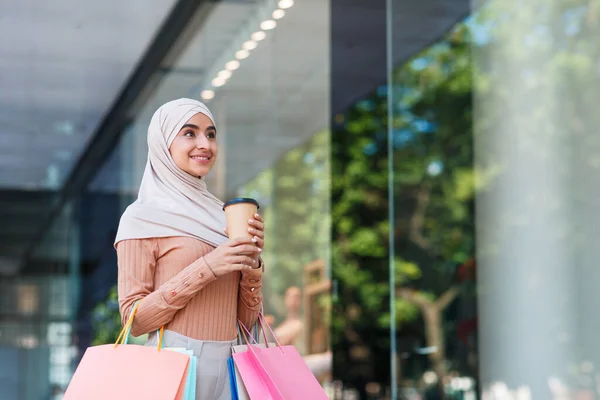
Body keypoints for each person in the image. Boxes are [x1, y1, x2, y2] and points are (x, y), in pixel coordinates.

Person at [114, 98, 265, 399]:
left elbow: (245, 323)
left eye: (210, 134)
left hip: (231, 368)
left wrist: (252, 265)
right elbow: (135, 320)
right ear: (163, 143)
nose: (204, 144)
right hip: (173, 368)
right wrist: (208, 267)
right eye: (189, 133)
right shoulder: (141, 217)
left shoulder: (222, 216)